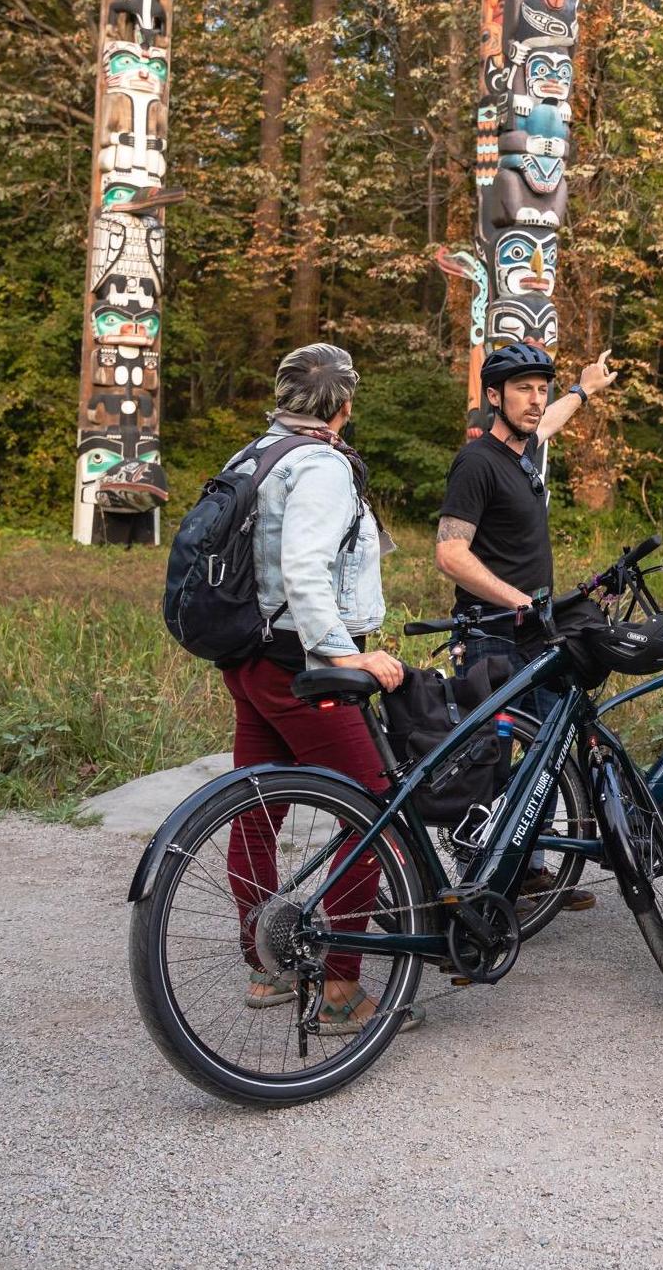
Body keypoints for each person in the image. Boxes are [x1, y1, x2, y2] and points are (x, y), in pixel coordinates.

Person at [220, 344, 417, 1037]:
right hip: (303, 666)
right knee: (372, 809)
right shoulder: (322, 466)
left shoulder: (254, 455)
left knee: (254, 809)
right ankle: (339, 985)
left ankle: (266, 964)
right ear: (344, 406)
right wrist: (344, 655)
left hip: (250, 657)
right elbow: (304, 569)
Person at [435, 341, 618, 913]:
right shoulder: (477, 462)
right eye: (523, 390)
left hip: (534, 634)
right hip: (492, 634)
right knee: (492, 761)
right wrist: (518, 599)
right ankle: (477, 887)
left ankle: (529, 871)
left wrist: (584, 388)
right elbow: (450, 552)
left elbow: (552, 421)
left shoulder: (524, 450)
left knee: (543, 756)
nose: (536, 401)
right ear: (494, 397)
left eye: (541, 389)